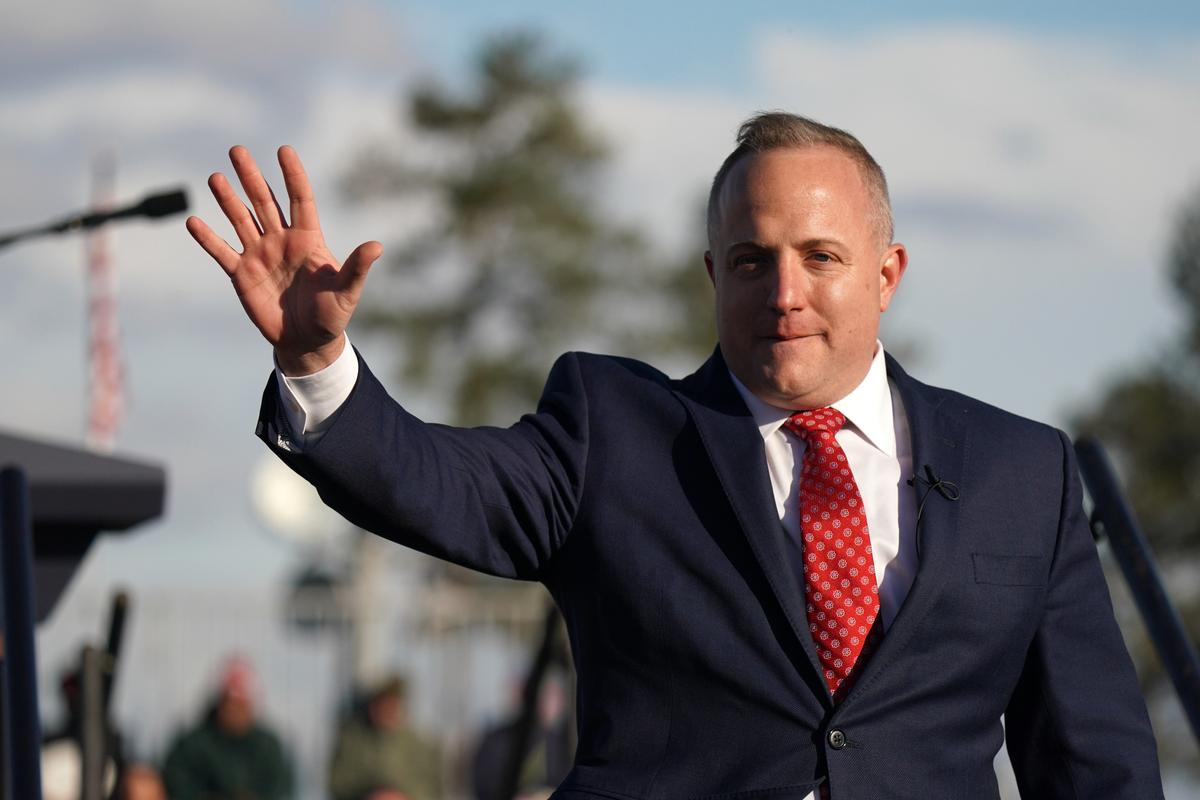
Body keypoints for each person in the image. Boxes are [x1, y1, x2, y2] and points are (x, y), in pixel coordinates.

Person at [187, 112, 1164, 798]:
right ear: (712, 275)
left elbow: (1097, 764)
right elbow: (435, 481)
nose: (784, 289)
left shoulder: (1022, 473)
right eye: (751, 260)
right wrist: (317, 362)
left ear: (886, 271)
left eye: (820, 256)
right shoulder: (613, 431)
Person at [161, 656, 293, 800]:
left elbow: (282, 789)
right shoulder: (192, 745)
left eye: (241, 704)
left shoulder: (269, 747)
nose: (234, 710)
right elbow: (176, 784)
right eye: (230, 702)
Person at [326, 675, 442, 800]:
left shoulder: (419, 746)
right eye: (382, 705)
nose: (388, 711)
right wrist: (372, 794)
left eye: (393, 705)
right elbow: (337, 784)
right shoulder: (352, 740)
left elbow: (433, 789)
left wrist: (402, 796)